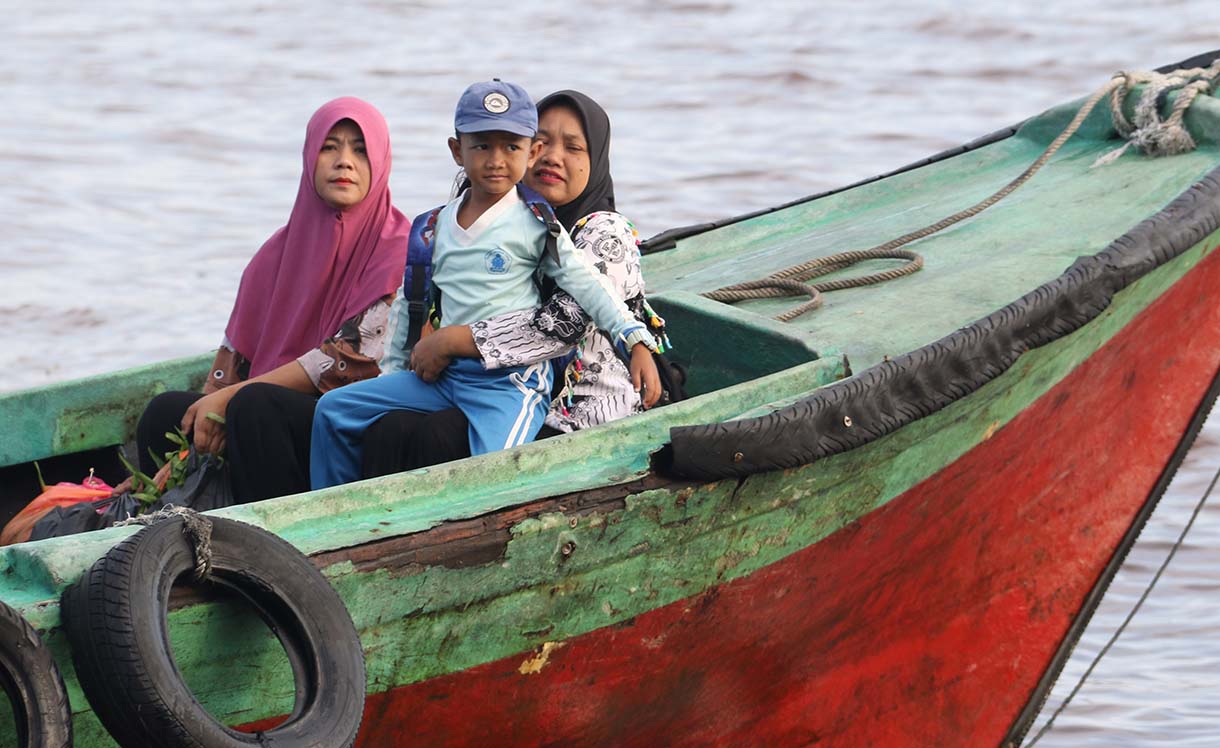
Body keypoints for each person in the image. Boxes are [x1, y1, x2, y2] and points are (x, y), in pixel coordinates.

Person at [308, 80, 660, 490]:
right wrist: (392, 375)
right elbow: (410, 304)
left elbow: (586, 290)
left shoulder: (539, 223)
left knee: (491, 476)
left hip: (511, 386)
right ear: (457, 151)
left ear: (527, 152)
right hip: (450, 379)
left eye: (511, 147)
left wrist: (634, 339)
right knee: (332, 411)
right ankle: (334, 511)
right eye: (482, 146)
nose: (496, 160)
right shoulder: (434, 226)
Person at [132, 97, 409, 502]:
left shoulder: (400, 251)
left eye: (360, 150)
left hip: (351, 421)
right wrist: (209, 413)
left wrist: (230, 399)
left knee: (255, 406)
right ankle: (167, 514)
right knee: (166, 413)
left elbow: (347, 363)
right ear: (309, 158)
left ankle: (271, 533)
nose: (344, 162)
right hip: (262, 413)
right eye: (329, 147)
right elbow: (230, 366)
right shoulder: (275, 256)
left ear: (381, 162)